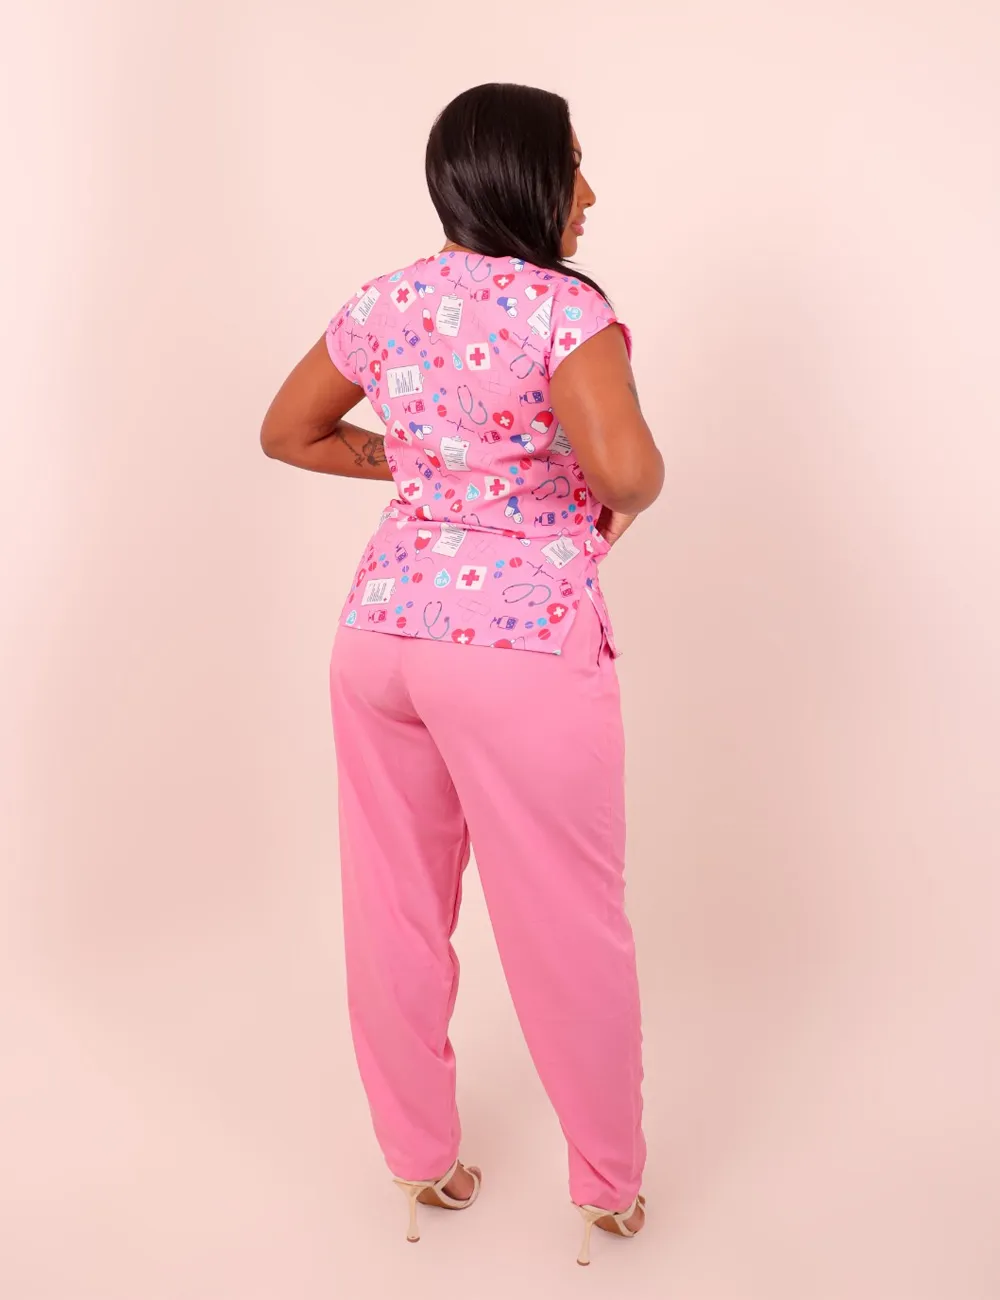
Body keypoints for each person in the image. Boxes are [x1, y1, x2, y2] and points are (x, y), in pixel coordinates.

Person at [260, 82, 664, 1266]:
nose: (589, 193)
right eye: (574, 167)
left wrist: (429, 462)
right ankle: (605, 1186)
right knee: (565, 922)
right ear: (527, 178)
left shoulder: (385, 301)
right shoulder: (562, 309)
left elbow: (288, 430)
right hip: (517, 646)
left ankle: (418, 1162)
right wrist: (594, 485)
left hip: (381, 633)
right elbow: (628, 473)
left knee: (391, 905)